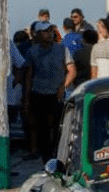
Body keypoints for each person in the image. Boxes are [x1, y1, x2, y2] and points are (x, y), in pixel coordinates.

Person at [24, 21, 76, 160]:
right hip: (38, 94)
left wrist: (63, 87)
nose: (49, 34)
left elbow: (72, 71)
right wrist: (27, 97)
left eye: (50, 31)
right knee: (42, 128)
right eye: (45, 31)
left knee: (58, 126)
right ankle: (46, 157)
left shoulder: (62, 49)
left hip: (56, 95)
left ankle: (58, 154)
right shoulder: (32, 51)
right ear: (38, 34)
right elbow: (29, 75)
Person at [90, 14, 109, 79]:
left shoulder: (96, 47)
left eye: (102, 27)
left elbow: (94, 73)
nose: (99, 31)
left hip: (101, 82)